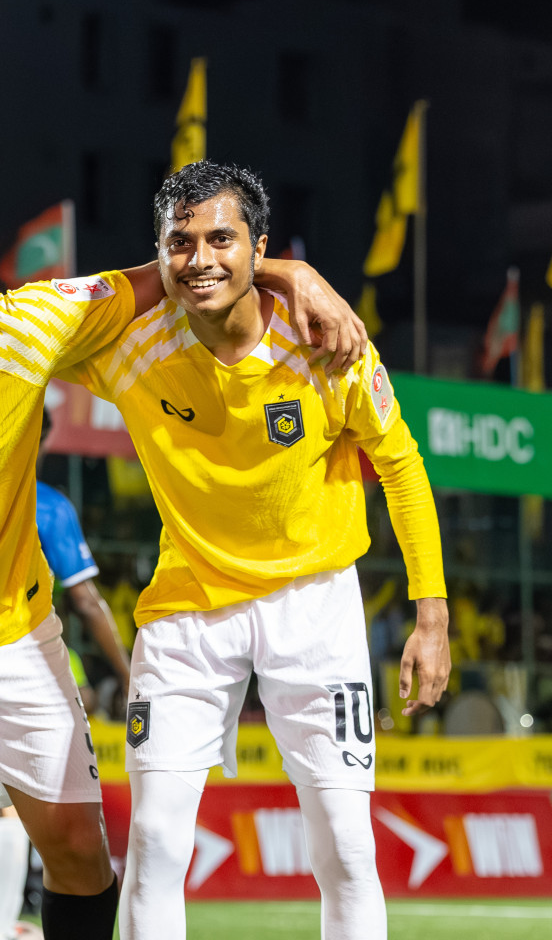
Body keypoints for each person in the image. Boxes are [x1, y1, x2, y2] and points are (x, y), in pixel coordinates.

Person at [0, 150, 362, 940]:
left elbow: (171, 271)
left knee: (83, 855)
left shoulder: (23, 327)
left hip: (13, 631)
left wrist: (287, 273)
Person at [57, 161, 450, 939]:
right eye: (180, 242)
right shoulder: (129, 343)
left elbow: (402, 468)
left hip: (317, 608)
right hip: (187, 614)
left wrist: (431, 616)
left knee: (343, 847)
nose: (199, 257)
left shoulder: (327, 341)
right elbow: (14, 318)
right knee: (159, 841)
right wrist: (291, 268)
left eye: (222, 240)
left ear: (256, 246)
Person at [0, 409, 132, 940]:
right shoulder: (49, 505)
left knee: (3, 807)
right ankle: (3, 927)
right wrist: (128, 673)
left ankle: (4, 923)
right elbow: (86, 600)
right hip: (34, 666)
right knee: (48, 811)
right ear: (41, 439)